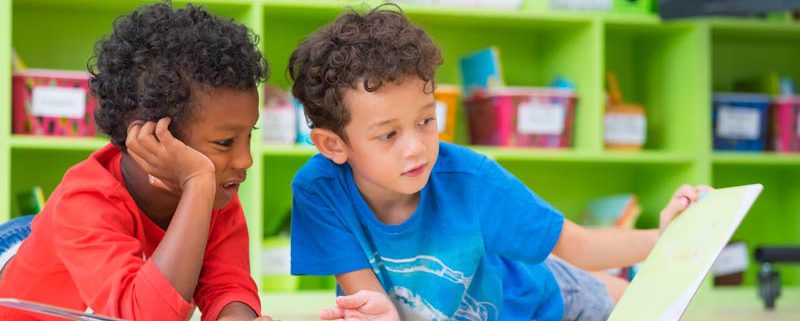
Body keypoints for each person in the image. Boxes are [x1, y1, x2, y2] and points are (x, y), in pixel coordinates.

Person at [287, 5, 710, 321]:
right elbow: (374, 302)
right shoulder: (319, 190)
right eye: (389, 134)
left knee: (631, 305)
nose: (416, 148)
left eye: (426, 120)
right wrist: (379, 313)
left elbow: (576, 245)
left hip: (542, 298)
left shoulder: (471, 179)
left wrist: (665, 237)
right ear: (333, 145)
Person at [0, 3, 272, 321]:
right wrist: (197, 183)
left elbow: (227, 287)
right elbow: (148, 317)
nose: (245, 160)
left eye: (248, 136)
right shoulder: (85, 200)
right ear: (154, 138)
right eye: (225, 143)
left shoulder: (217, 192)